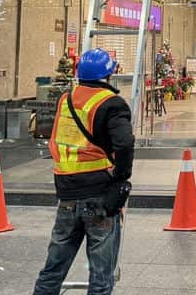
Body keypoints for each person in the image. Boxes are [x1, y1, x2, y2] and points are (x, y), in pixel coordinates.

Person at [33, 48, 135, 295]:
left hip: (66, 193)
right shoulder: (111, 103)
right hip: (99, 195)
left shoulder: (66, 100)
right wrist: (121, 179)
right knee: (101, 275)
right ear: (108, 74)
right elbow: (124, 143)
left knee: (53, 269)